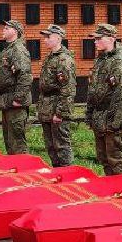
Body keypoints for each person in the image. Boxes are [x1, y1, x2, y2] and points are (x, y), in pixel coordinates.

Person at [87, 23, 122, 175]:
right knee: (104, 158)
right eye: (95, 38)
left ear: (112, 39)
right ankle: (111, 190)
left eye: (99, 38)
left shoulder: (119, 61)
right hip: (99, 117)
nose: (95, 41)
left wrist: (115, 122)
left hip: (112, 119)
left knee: (115, 159)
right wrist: (90, 115)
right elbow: (93, 90)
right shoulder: (100, 60)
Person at [37, 25, 77, 166]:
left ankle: (68, 176)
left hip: (57, 108)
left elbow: (67, 88)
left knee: (61, 146)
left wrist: (60, 113)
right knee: (51, 146)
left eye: (48, 36)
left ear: (58, 37)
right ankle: (57, 173)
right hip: (47, 106)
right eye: (45, 37)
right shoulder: (50, 57)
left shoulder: (64, 59)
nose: (45, 39)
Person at [0, 21, 33, 153]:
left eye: (7, 28)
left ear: (15, 31)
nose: (3, 30)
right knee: (10, 141)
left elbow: (25, 76)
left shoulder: (18, 50)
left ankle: (23, 169)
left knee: (17, 142)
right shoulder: (8, 49)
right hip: (7, 100)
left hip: (15, 101)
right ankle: (14, 167)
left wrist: (19, 98)